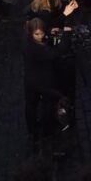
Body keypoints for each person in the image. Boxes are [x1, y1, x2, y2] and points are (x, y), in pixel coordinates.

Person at [22, 17, 68, 146]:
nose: (40, 37)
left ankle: (32, 129)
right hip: (41, 82)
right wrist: (67, 34)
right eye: (37, 34)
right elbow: (58, 52)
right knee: (48, 104)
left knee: (30, 106)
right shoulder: (38, 49)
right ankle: (47, 130)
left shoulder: (26, 38)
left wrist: (48, 32)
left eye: (41, 33)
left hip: (29, 80)